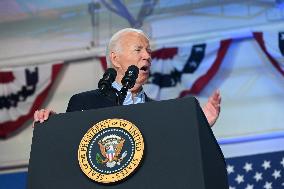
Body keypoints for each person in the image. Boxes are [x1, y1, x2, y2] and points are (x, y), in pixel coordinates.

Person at [34, 28, 221, 126]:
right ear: (115, 59)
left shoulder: (160, 112)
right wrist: (52, 125)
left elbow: (175, 149)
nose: (147, 56)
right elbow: (69, 145)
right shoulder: (84, 103)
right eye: (138, 50)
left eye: (148, 51)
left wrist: (201, 126)